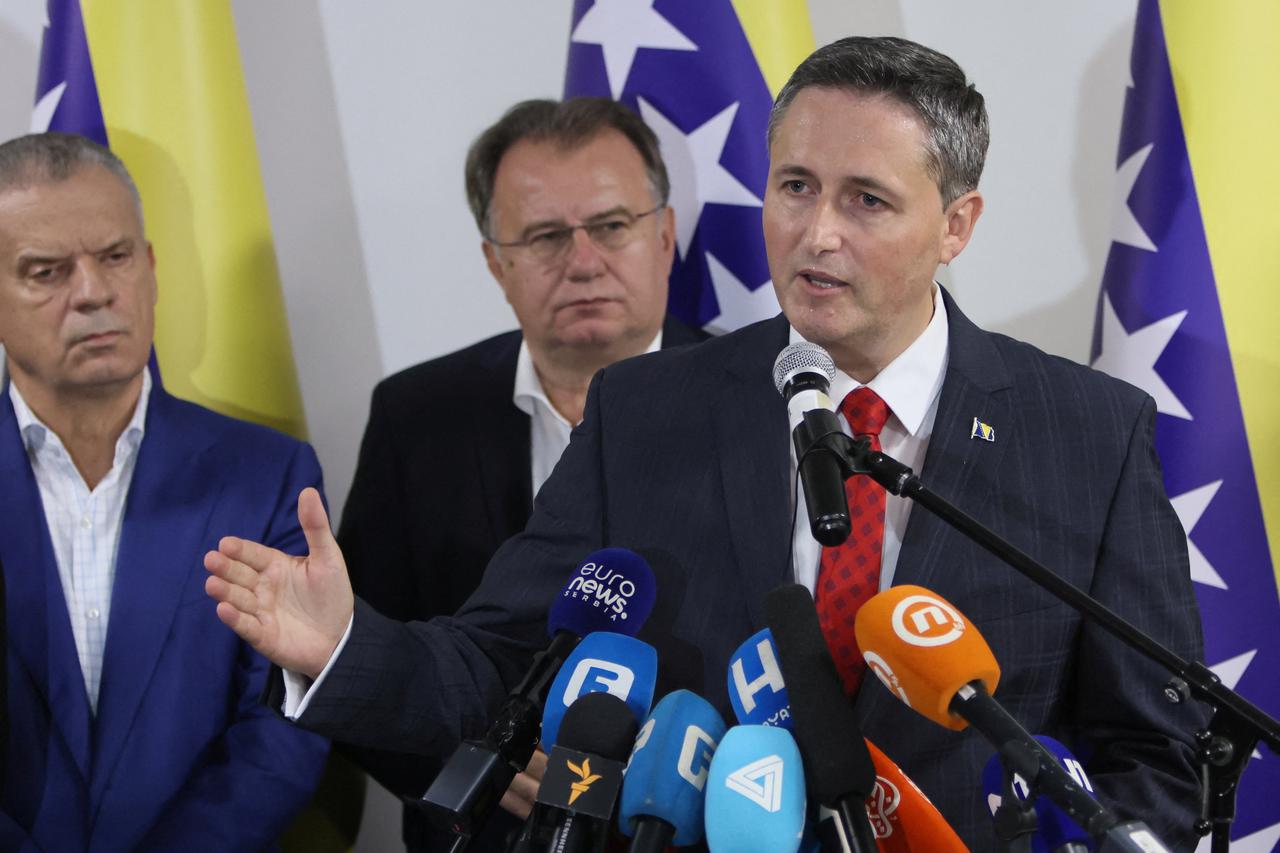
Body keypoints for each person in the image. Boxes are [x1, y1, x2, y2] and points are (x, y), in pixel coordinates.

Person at [206, 37, 1207, 849]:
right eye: (793, 187)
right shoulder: (647, 409)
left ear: (955, 225)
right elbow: (502, 662)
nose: (815, 234)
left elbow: (1154, 749)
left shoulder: (1083, 434)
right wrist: (343, 643)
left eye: (865, 200)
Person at [338, 96, 703, 851]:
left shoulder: (763, 397)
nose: (582, 260)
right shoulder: (415, 417)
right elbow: (367, 659)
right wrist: (472, 766)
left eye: (611, 225)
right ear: (495, 263)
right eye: (543, 236)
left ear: (664, 236)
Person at [0, 132, 329, 850]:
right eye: (46, 271)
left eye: (115, 256)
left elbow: (284, 721)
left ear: (149, 268)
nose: (93, 292)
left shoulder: (269, 475)